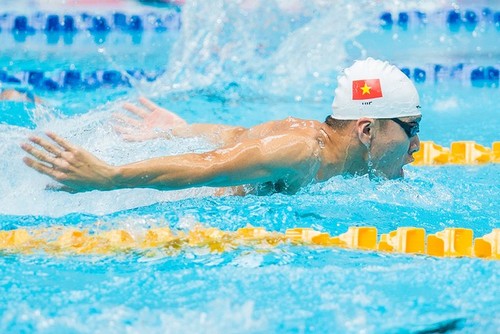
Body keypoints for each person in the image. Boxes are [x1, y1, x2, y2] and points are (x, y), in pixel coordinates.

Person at [21, 58, 421, 195]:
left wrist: (180, 128)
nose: (416, 146)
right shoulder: (302, 151)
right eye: (411, 128)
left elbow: (237, 139)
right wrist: (111, 176)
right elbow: (209, 164)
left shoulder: (311, 141)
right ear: (366, 130)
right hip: (163, 193)